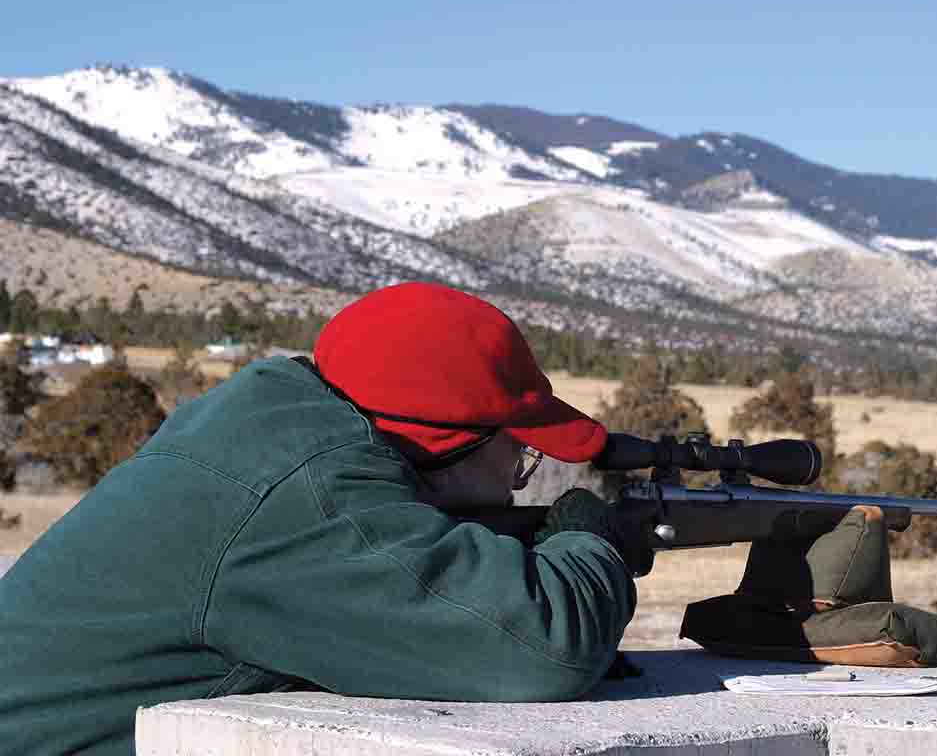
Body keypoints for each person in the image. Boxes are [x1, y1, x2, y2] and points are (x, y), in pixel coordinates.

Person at [0, 282, 646, 756]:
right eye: (520, 459)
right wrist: (587, 540)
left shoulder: (272, 421)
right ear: (446, 447)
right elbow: (546, 646)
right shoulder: (313, 495)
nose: (516, 484)